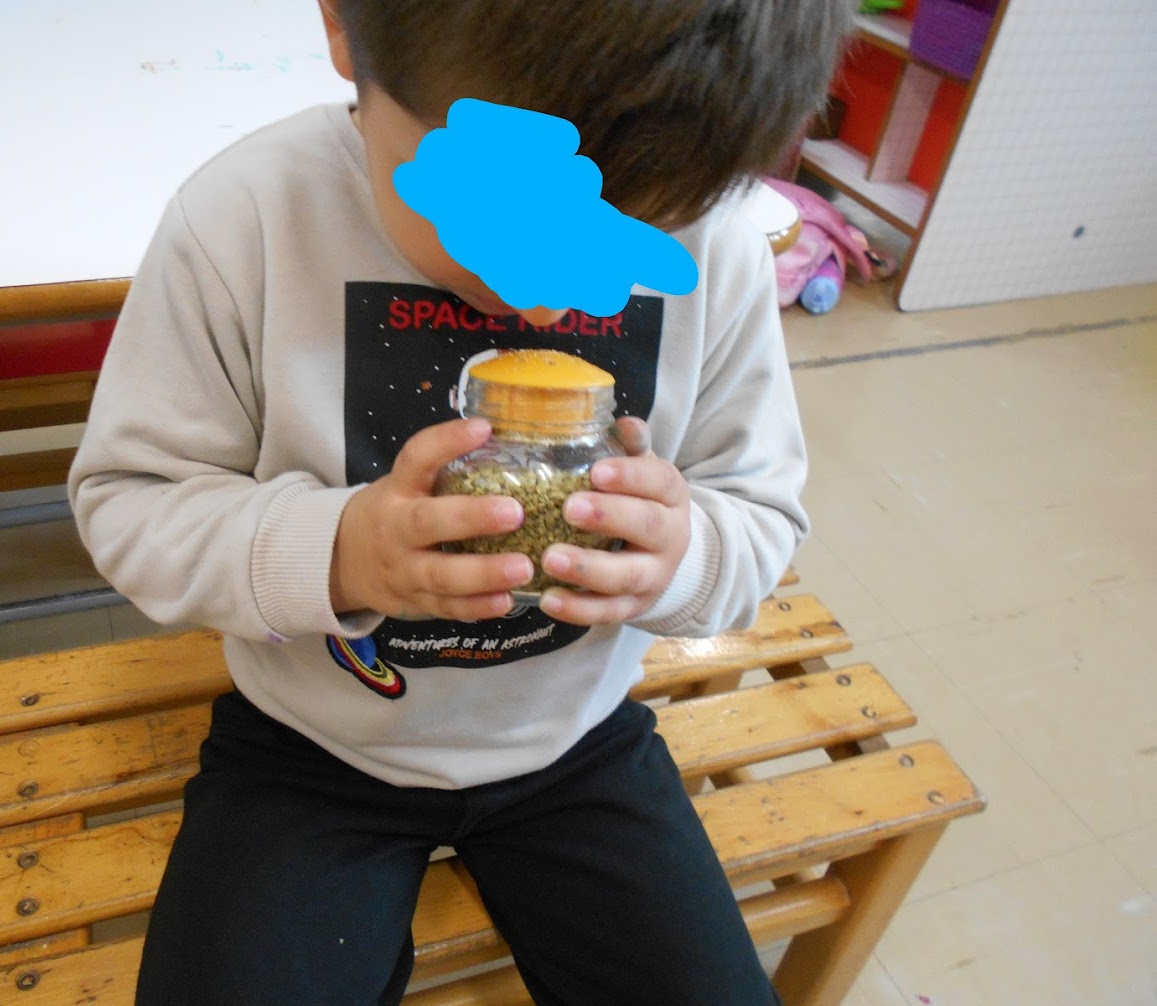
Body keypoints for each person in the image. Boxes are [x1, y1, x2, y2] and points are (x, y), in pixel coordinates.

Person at [67, 1, 852, 1003]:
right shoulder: (246, 218)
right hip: (310, 739)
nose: (543, 303)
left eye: (617, 237)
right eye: (501, 218)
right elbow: (132, 502)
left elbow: (759, 509)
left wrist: (682, 556)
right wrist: (338, 553)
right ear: (344, 27)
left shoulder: (717, 239)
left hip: (574, 739)